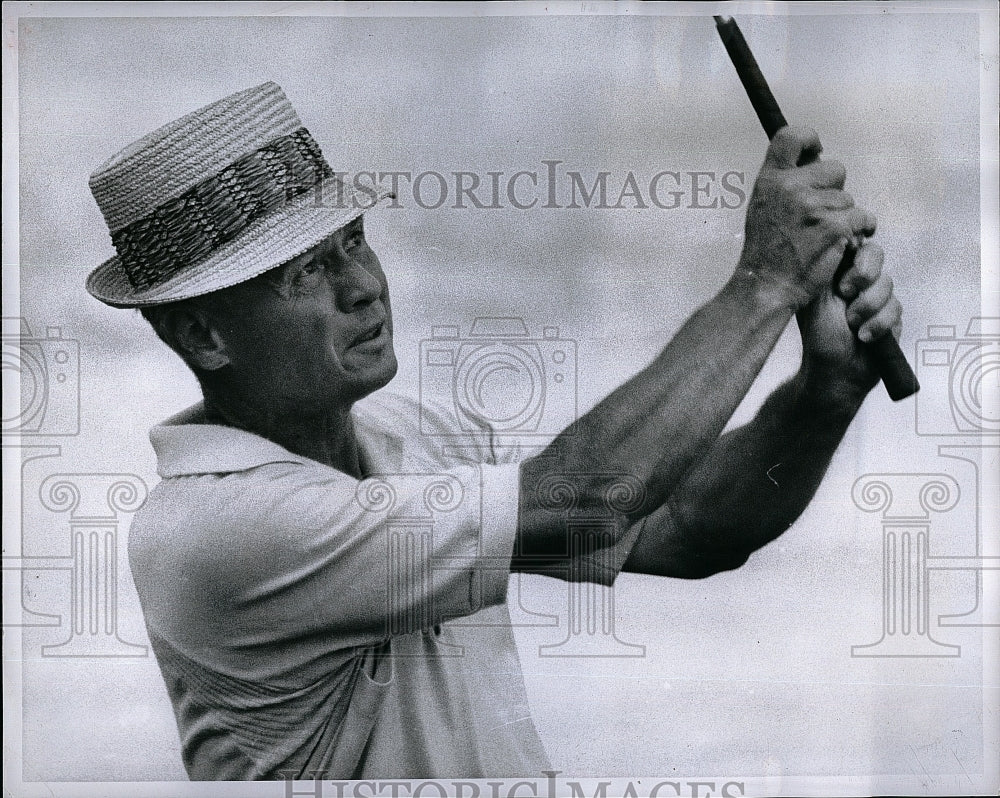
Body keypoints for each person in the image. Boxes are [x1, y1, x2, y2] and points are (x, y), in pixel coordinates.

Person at [86, 82, 902, 780]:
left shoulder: (421, 439)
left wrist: (824, 393)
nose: (363, 288)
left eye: (354, 243)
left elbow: (687, 530)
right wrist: (764, 283)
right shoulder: (216, 531)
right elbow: (589, 500)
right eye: (306, 273)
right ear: (202, 337)